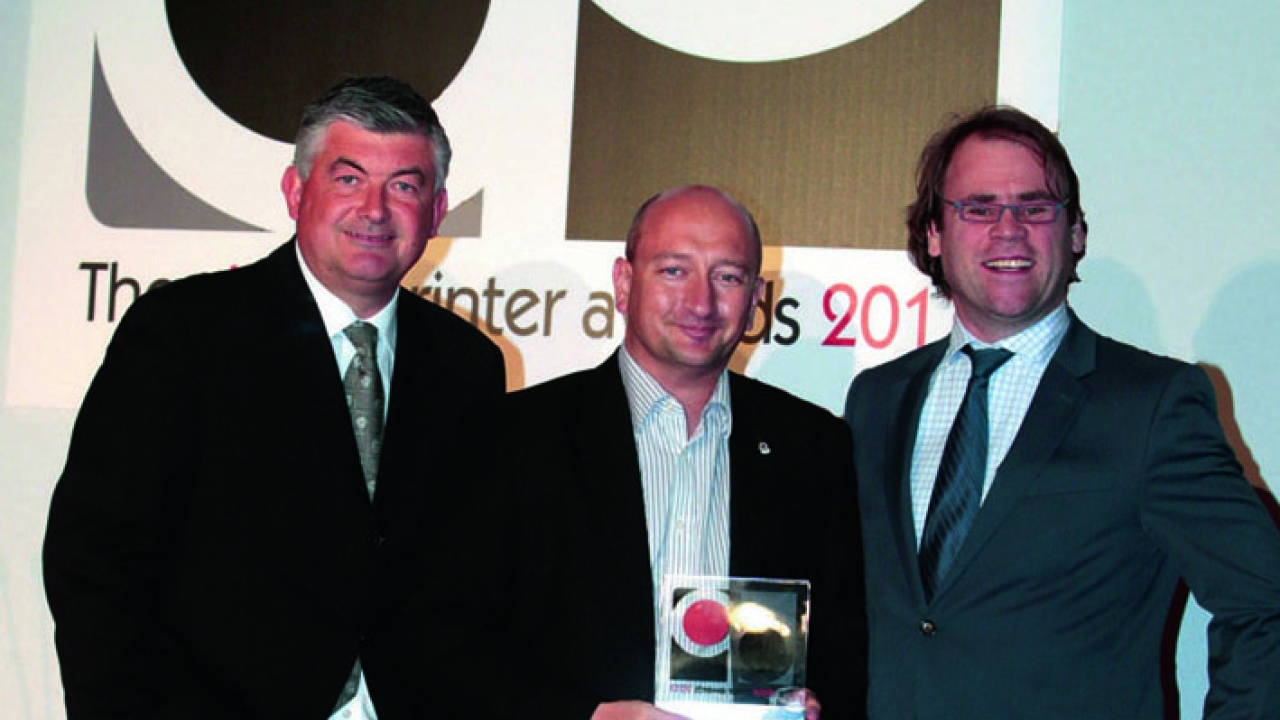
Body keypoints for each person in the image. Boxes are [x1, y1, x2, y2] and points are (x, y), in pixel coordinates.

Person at [42, 76, 506, 720]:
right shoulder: (185, 332)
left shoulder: (468, 367)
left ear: (436, 211)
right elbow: (97, 561)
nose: (374, 209)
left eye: (404, 185)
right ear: (296, 191)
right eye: (348, 179)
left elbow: (474, 582)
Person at [844, 105, 1280, 719]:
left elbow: (1264, 602)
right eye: (979, 207)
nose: (1008, 229)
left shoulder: (1153, 404)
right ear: (934, 234)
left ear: (1074, 232)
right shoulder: (877, 399)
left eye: (1035, 207)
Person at [414, 185, 865, 720]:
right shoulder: (516, 437)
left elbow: (845, 651)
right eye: (674, 271)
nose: (701, 302)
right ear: (624, 284)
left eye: (727, 276)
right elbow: (441, 645)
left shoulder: (814, 447)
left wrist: (815, 704)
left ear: (755, 301)